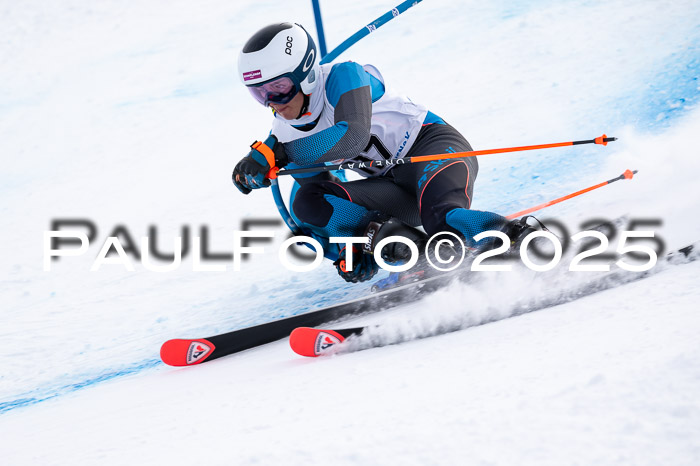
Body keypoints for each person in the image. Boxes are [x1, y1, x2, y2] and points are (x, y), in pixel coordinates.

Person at [233, 22, 532, 283]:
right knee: (306, 203)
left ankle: (519, 238)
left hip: (432, 150)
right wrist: (350, 246)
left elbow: (353, 136)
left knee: (440, 219)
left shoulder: (343, 76)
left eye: (279, 87)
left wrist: (284, 154)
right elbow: (323, 200)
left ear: (306, 74)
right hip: (391, 187)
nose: (273, 101)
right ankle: (418, 258)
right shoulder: (283, 133)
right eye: (258, 92)